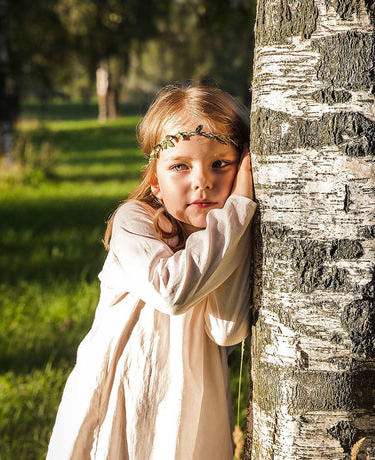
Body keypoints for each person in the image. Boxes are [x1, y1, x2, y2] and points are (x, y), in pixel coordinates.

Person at [46, 83, 257, 460]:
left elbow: (228, 329)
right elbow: (171, 290)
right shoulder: (135, 221)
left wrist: (228, 229)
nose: (202, 181)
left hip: (189, 405)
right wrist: (237, 208)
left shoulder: (224, 237)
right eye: (180, 166)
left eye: (220, 164)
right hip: (121, 395)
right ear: (156, 182)